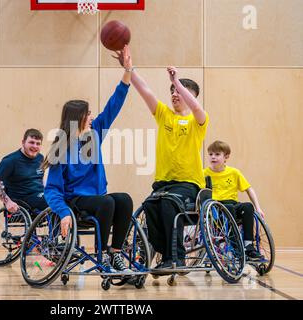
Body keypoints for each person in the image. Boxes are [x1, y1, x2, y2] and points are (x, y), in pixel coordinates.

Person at [43, 45, 133, 273]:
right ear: (79, 117)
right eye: (89, 112)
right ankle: (100, 255)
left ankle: (115, 253)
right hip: (75, 202)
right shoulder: (61, 148)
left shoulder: (94, 135)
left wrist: (127, 71)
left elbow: (114, 106)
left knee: (123, 199)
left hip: (96, 199)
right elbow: (51, 190)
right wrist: (63, 213)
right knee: (107, 202)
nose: (93, 115)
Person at [126, 62, 209, 269]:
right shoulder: (164, 115)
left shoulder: (197, 121)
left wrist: (175, 81)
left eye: (180, 91)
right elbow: (145, 91)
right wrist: (129, 69)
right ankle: (164, 256)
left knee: (168, 203)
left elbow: (197, 108)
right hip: (162, 183)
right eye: (172, 91)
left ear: (191, 97)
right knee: (150, 205)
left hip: (188, 184)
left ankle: (176, 258)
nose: (174, 94)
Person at [204, 140, 264, 261]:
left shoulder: (234, 172)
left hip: (232, 204)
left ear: (226, 157)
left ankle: (248, 245)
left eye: (217, 154)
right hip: (215, 208)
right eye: (210, 154)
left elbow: (249, 189)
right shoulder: (204, 173)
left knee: (247, 206)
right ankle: (234, 245)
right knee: (228, 208)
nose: (213, 157)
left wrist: (258, 208)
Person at [0, 128, 47, 214]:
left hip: (39, 197)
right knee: (54, 200)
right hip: (21, 202)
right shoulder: (11, 160)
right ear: (23, 142)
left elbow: (39, 180)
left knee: (63, 197)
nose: (35, 146)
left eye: (38, 144)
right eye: (31, 142)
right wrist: (7, 202)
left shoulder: (40, 158)